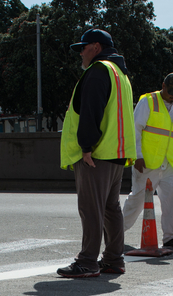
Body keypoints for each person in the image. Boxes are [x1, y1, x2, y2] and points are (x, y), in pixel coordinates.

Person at [57, 28, 137, 278]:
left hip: (97, 153)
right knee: (110, 208)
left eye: (82, 47)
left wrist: (87, 147)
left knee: (91, 208)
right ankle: (114, 259)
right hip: (116, 152)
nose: (80, 53)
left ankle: (88, 262)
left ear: (95, 47)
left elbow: (92, 110)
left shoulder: (98, 70)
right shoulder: (121, 74)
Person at [122, 73, 173, 251]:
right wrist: (137, 156)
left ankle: (170, 237)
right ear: (163, 86)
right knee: (138, 199)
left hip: (170, 164)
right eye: (171, 91)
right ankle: (115, 232)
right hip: (147, 162)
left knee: (172, 199)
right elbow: (135, 129)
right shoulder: (148, 101)